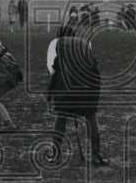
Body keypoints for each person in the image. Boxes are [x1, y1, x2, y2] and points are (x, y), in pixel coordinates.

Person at [46, 31, 108, 166]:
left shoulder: (55, 43)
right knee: (90, 114)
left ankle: (56, 155)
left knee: (61, 114)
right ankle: (96, 155)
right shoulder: (86, 42)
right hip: (89, 81)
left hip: (66, 82)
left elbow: (52, 69)